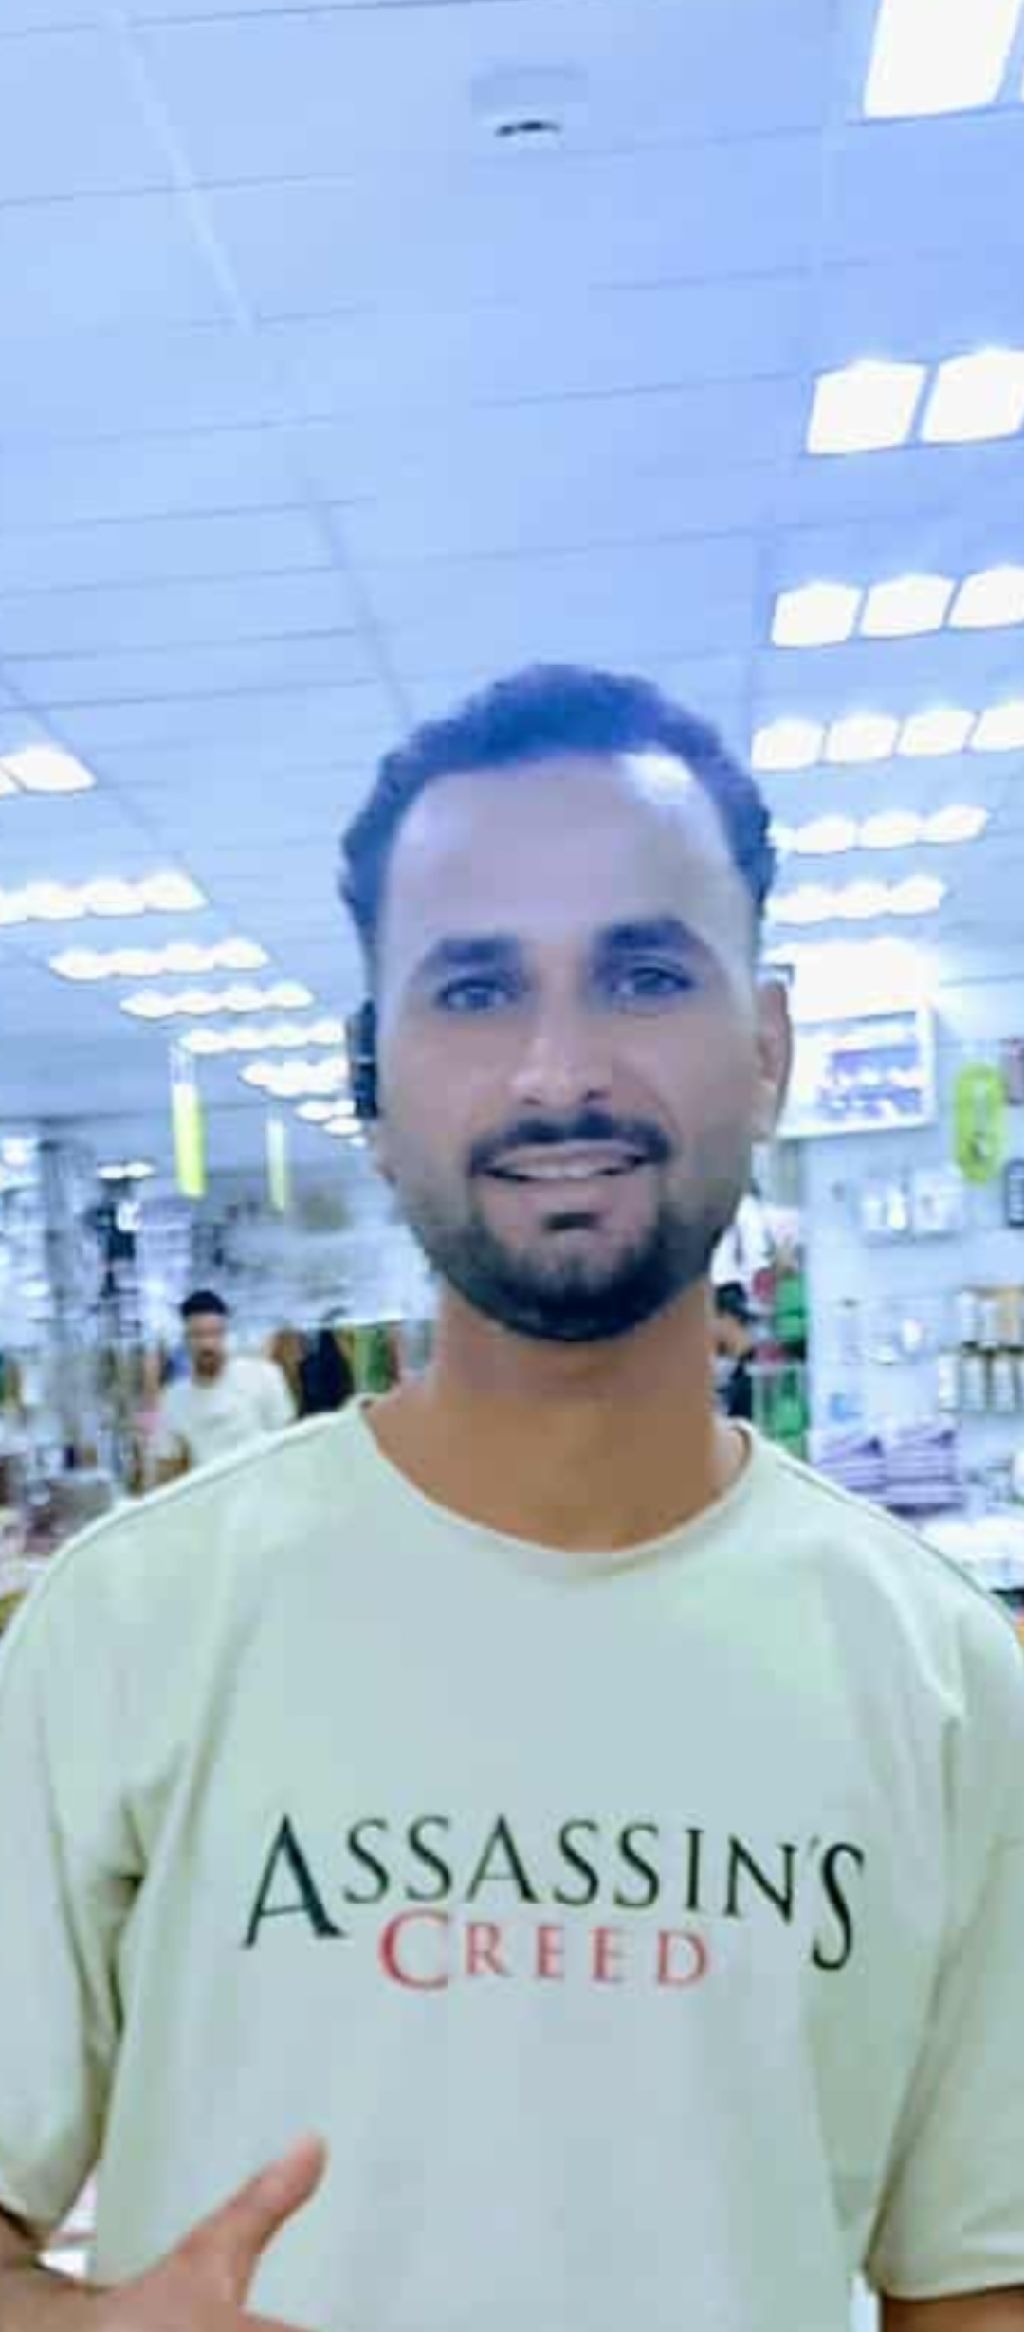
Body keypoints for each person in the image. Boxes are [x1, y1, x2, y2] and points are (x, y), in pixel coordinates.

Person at [0, 666, 1023, 2332]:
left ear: (764, 1048)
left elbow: (975, 2281)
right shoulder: (125, 1625)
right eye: (474, 989)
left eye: (643, 974)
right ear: (372, 1075)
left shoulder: (944, 1678)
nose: (558, 1070)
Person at [151, 1289, 295, 1483]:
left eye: (214, 1333)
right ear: (185, 1339)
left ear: (226, 1334)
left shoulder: (265, 1376)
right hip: (210, 1497)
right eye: (198, 1335)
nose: (207, 1344)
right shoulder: (172, 1399)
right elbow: (167, 1470)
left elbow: (289, 1445)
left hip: (265, 1490)